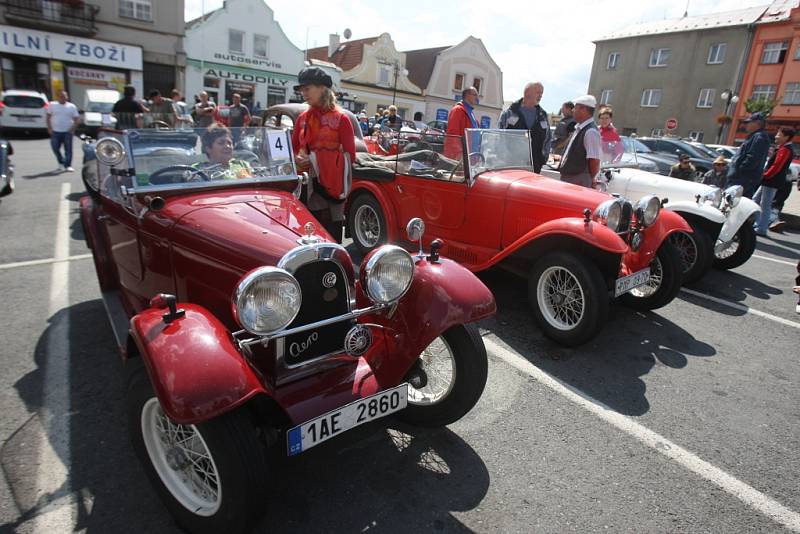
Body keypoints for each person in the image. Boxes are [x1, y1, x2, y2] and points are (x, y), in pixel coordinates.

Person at [291, 66, 356, 243]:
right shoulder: (303, 118)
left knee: (330, 238)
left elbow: (350, 157)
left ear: (322, 88)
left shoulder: (341, 119)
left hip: (329, 192)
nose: (303, 93)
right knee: (305, 238)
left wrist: (316, 161)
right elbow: (294, 148)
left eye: (307, 88)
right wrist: (297, 158)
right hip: (305, 187)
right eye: (301, 90)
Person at [498, 82, 551, 173]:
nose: (541, 96)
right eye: (538, 92)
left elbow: (548, 138)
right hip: (511, 165)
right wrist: (503, 158)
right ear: (527, 93)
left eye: (542, 93)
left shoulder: (542, 115)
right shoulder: (510, 112)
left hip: (535, 166)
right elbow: (499, 136)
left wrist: (543, 158)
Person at [753, 126, 795, 236]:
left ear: (786, 137)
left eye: (779, 135)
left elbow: (777, 166)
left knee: (765, 204)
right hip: (769, 180)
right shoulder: (783, 148)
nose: (776, 137)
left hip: (771, 180)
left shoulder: (785, 149)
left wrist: (765, 175)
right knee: (755, 200)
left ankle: (761, 228)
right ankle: (755, 223)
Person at [558, 94, 602, 188]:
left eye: (575, 107)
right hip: (572, 178)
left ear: (583, 109)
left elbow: (594, 160)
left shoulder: (590, 132)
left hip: (579, 180)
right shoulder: (580, 128)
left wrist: (591, 180)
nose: (573, 110)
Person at [727, 112, 771, 197]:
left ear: (758, 123)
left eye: (749, 122)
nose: (746, 125)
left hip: (743, 180)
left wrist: (739, 170)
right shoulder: (755, 136)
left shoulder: (759, 137)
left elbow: (753, 158)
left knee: (735, 204)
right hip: (741, 179)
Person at [46, 90, 80, 172]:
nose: (63, 98)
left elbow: (77, 119)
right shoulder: (52, 105)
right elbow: (48, 117)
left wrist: (72, 129)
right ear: (58, 97)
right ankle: (61, 162)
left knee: (68, 149)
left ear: (67, 97)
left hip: (67, 131)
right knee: (55, 148)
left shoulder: (71, 106)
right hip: (55, 131)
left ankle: (68, 165)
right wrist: (49, 128)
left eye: (64, 96)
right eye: (61, 96)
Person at [445, 86, 480, 159]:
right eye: (475, 95)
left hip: (471, 155)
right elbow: (453, 133)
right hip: (461, 157)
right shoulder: (457, 110)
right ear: (467, 95)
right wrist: (458, 153)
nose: (477, 98)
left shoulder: (470, 112)